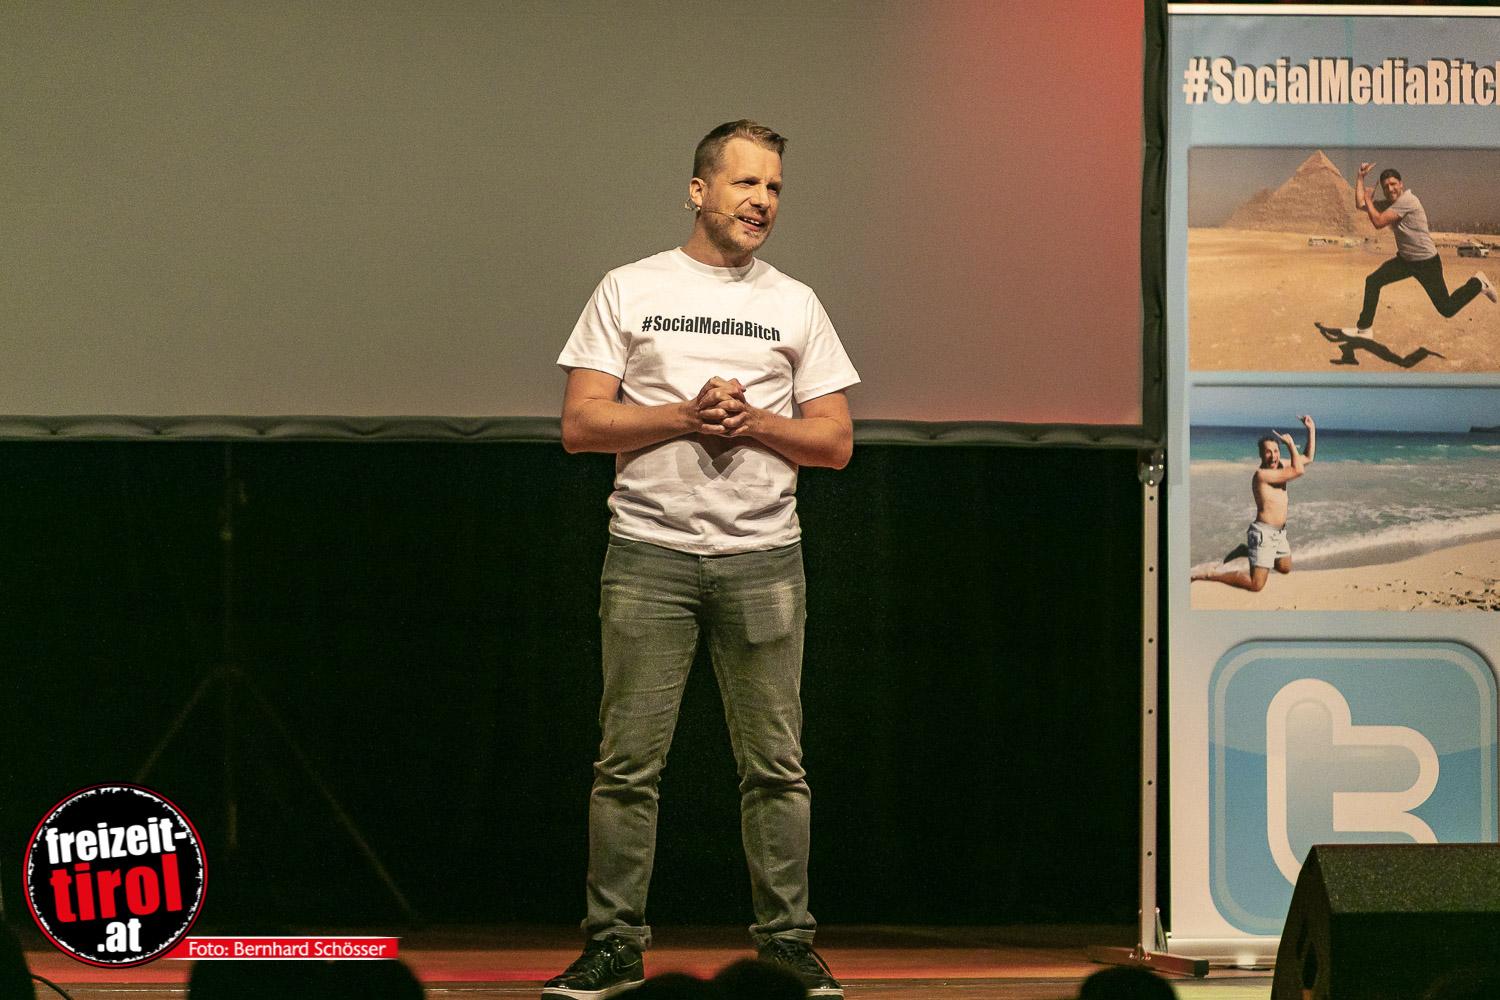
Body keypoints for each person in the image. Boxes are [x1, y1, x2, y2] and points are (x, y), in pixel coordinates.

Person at [546, 119, 859, 1000]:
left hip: (764, 559)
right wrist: (686, 414)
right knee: (626, 767)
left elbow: (835, 442)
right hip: (649, 555)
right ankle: (614, 946)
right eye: (745, 183)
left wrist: (752, 421)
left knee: (776, 768)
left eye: (774, 188)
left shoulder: (795, 302)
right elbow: (581, 425)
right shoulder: (630, 287)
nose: (762, 201)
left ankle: (787, 946)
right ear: (698, 190)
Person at [1345, 162, 1496, 336]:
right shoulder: (1390, 205)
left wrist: (1368, 199)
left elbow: (1378, 222)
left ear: (1401, 184)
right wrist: (1360, 178)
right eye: (1386, 187)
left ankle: (1479, 283)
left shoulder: (1408, 200)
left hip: (1426, 263)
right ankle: (1364, 328)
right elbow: (1360, 204)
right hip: (1405, 261)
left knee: (1446, 308)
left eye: (1393, 184)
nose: (1390, 189)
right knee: (1373, 281)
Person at [1193, 415, 1315, 592]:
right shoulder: (1262, 475)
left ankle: (1246, 550)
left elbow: (1308, 458)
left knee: (1284, 567)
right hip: (1263, 533)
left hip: (1279, 532)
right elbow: (1299, 470)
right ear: (1260, 454)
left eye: (1276, 451)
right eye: (1268, 452)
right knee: (1256, 584)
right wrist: (1290, 445)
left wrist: (1311, 429)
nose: (1273, 456)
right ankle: (1210, 575)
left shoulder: (1281, 465)